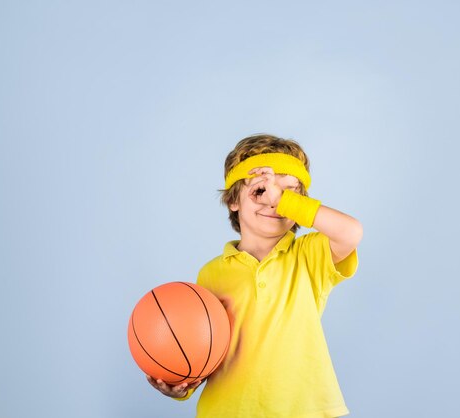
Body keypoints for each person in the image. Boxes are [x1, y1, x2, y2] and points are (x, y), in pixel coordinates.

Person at [147, 134, 363, 417]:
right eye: (260, 191)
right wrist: (181, 384)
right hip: (227, 410)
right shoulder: (211, 273)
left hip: (303, 409)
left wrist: (283, 198)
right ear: (233, 200)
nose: (274, 202)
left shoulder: (310, 255)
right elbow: (203, 349)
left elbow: (351, 232)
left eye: (288, 194)